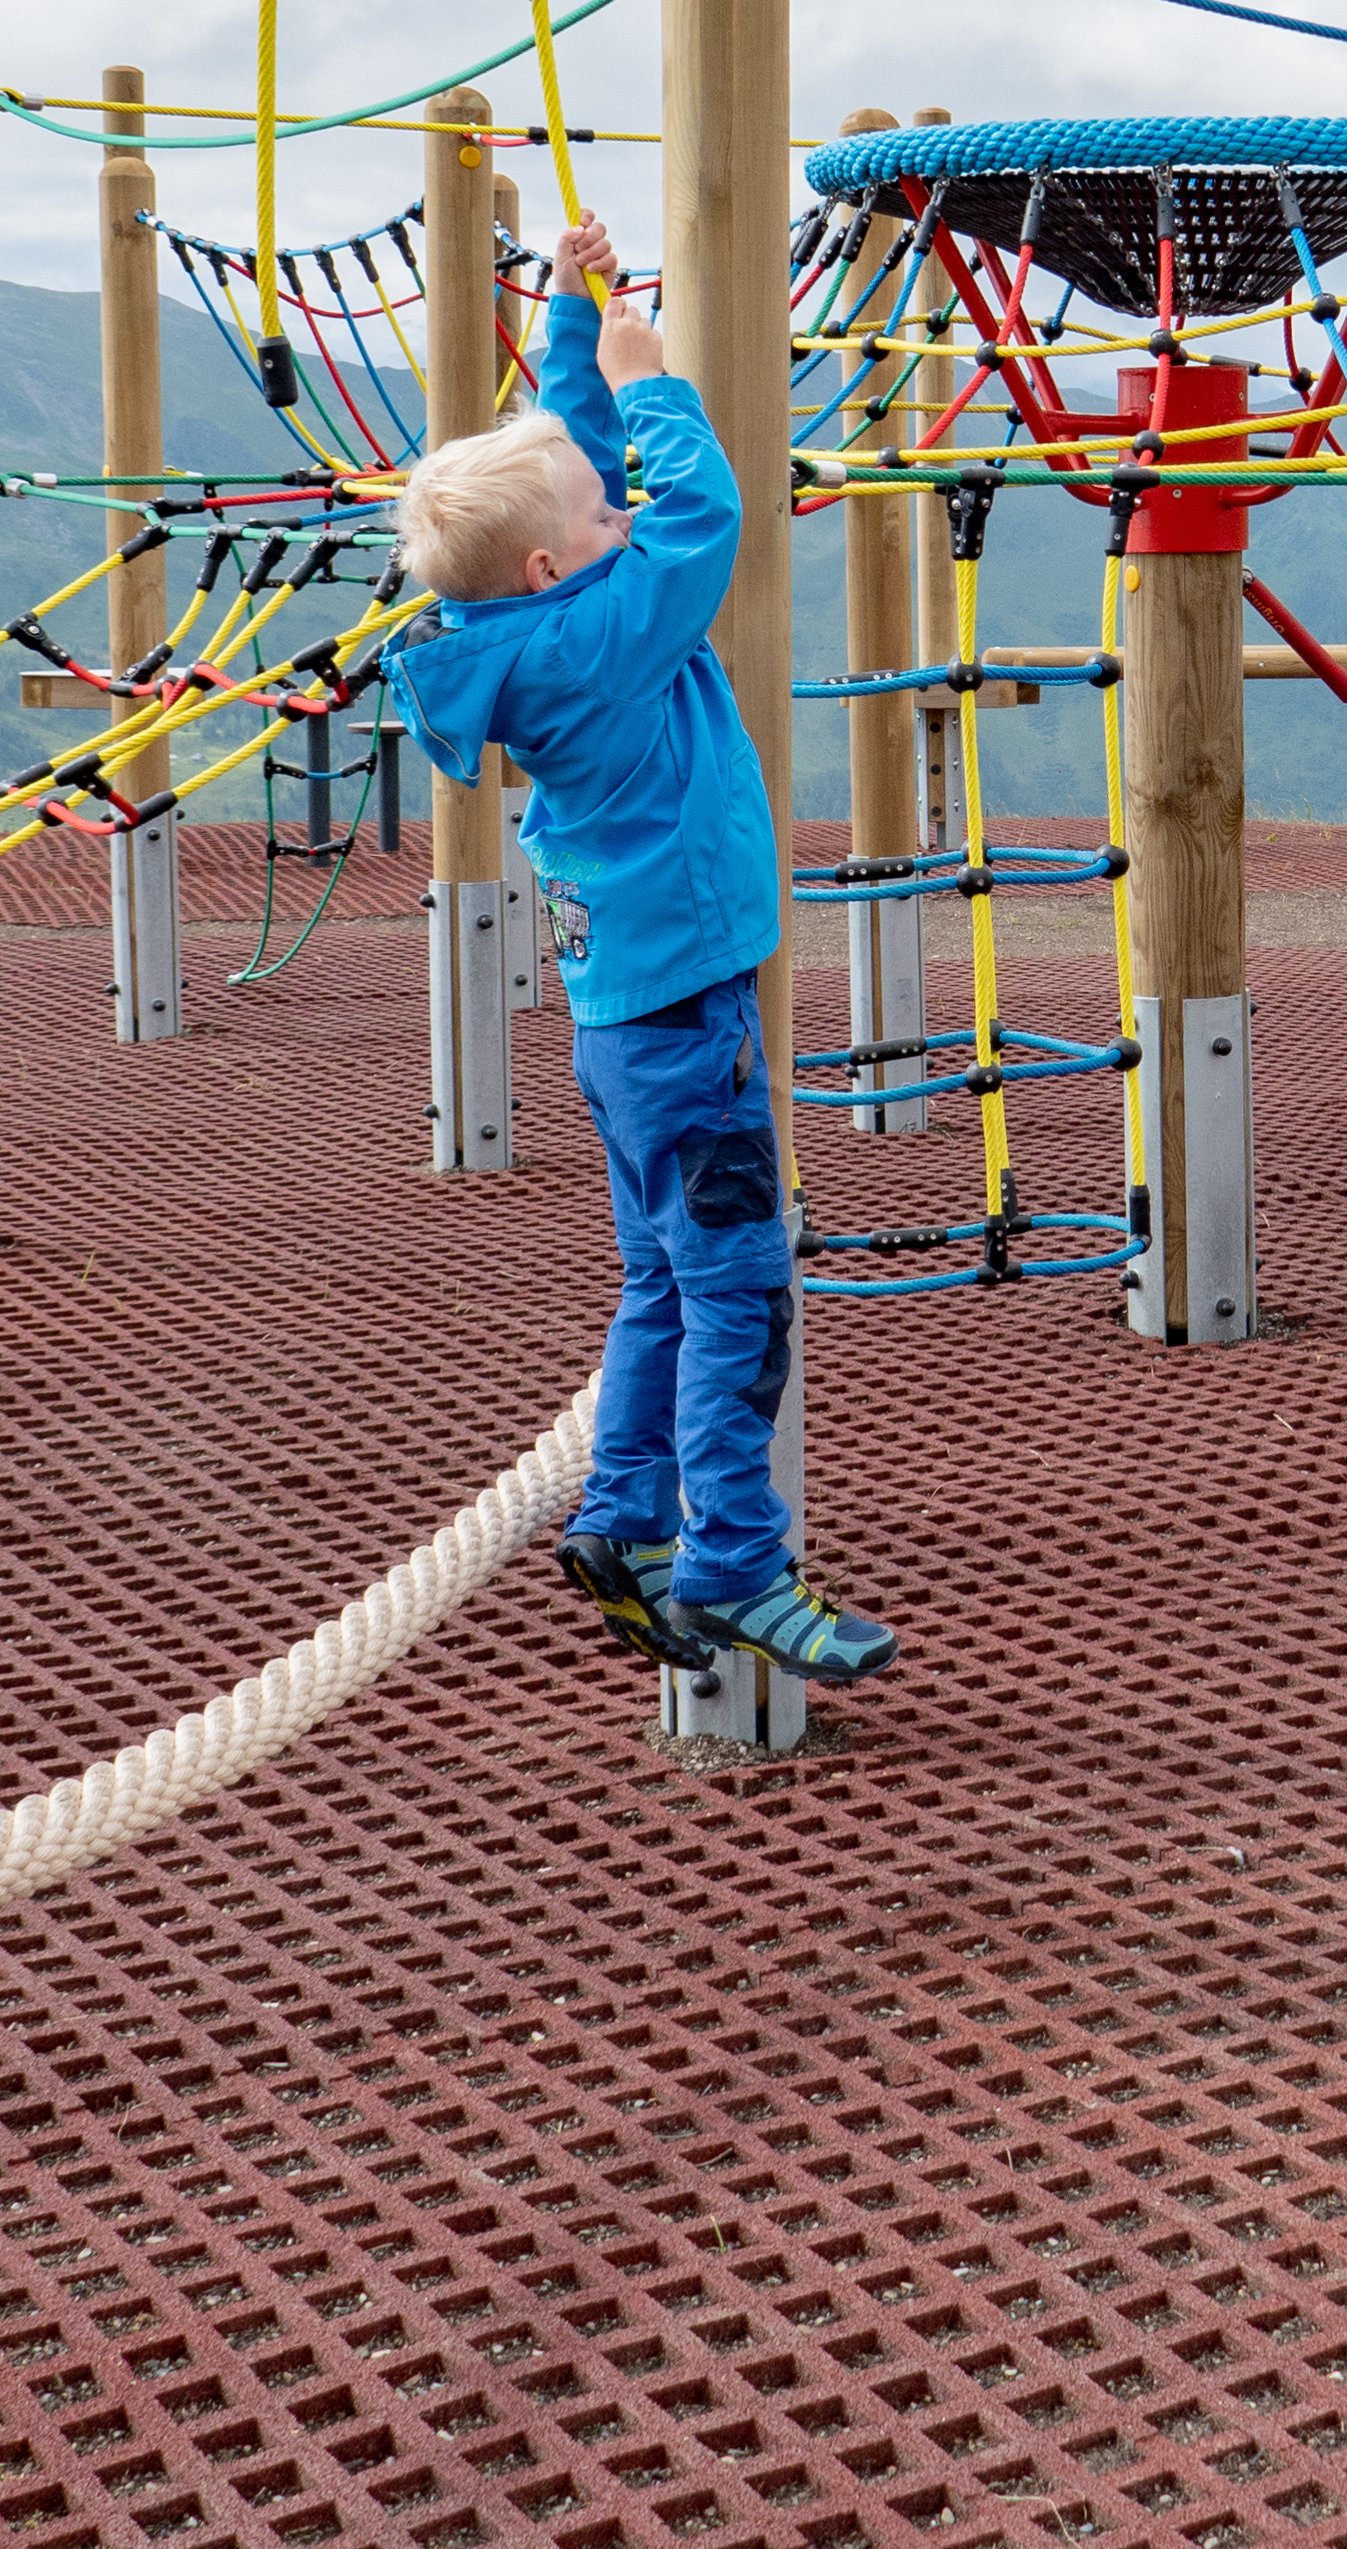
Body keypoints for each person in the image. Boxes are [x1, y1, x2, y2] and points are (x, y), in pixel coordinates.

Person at [389, 221, 896, 1685]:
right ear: (559, 563)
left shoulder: (524, 626)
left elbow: (586, 487)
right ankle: (737, 1564)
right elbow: (701, 520)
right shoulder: (614, 626)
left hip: (626, 1026)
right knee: (741, 1288)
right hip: (692, 1022)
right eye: (597, 523)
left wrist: (571, 320)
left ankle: (621, 1519)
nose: (623, 518)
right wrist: (655, 379)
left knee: (659, 1283)